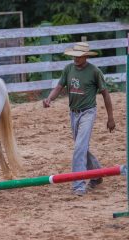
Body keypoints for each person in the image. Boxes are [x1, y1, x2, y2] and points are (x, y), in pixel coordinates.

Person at [43, 42, 116, 196]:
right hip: (73, 113)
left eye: (79, 56)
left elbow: (105, 94)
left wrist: (110, 117)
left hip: (88, 113)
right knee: (81, 148)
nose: (75, 58)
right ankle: (97, 174)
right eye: (74, 55)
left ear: (86, 56)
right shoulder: (68, 69)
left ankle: (78, 185)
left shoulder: (94, 71)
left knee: (79, 148)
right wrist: (50, 98)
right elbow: (59, 86)